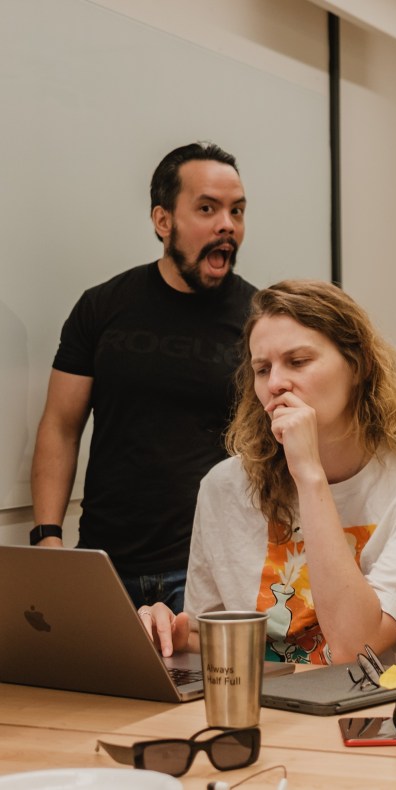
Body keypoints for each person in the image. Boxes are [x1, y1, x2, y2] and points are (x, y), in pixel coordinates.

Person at [144, 280, 396, 669]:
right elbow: (220, 640)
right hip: (270, 708)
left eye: (298, 362)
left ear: (360, 365)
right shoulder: (223, 486)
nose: (276, 383)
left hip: (377, 710)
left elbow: (356, 647)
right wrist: (179, 637)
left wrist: (309, 474)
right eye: (262, 369)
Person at [29, 142, 257, 614]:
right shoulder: (102, 307)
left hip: (207, 572)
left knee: (202, 691)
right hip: (104, 563)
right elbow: (60, 426)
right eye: (207, 208)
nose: (227, 225)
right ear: (163, 221)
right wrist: (48, 537)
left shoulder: (262, 320)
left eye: (236, 211)